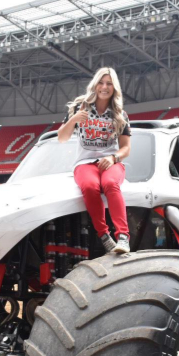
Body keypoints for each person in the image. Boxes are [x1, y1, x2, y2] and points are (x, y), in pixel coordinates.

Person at [57, 67, 132, 254]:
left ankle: (123, 237)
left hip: (110, 162)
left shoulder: (120, 114)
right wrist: (73, 120)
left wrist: (113, 157)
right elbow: (61, 138)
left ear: (114, 88)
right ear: (95, 84)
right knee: (90, 187)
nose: (104, 87)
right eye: (101, 82)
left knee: (110, 183)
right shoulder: (79, 107)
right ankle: (104, 235)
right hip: (84, 163)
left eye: (109, 84)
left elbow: (126, 148)